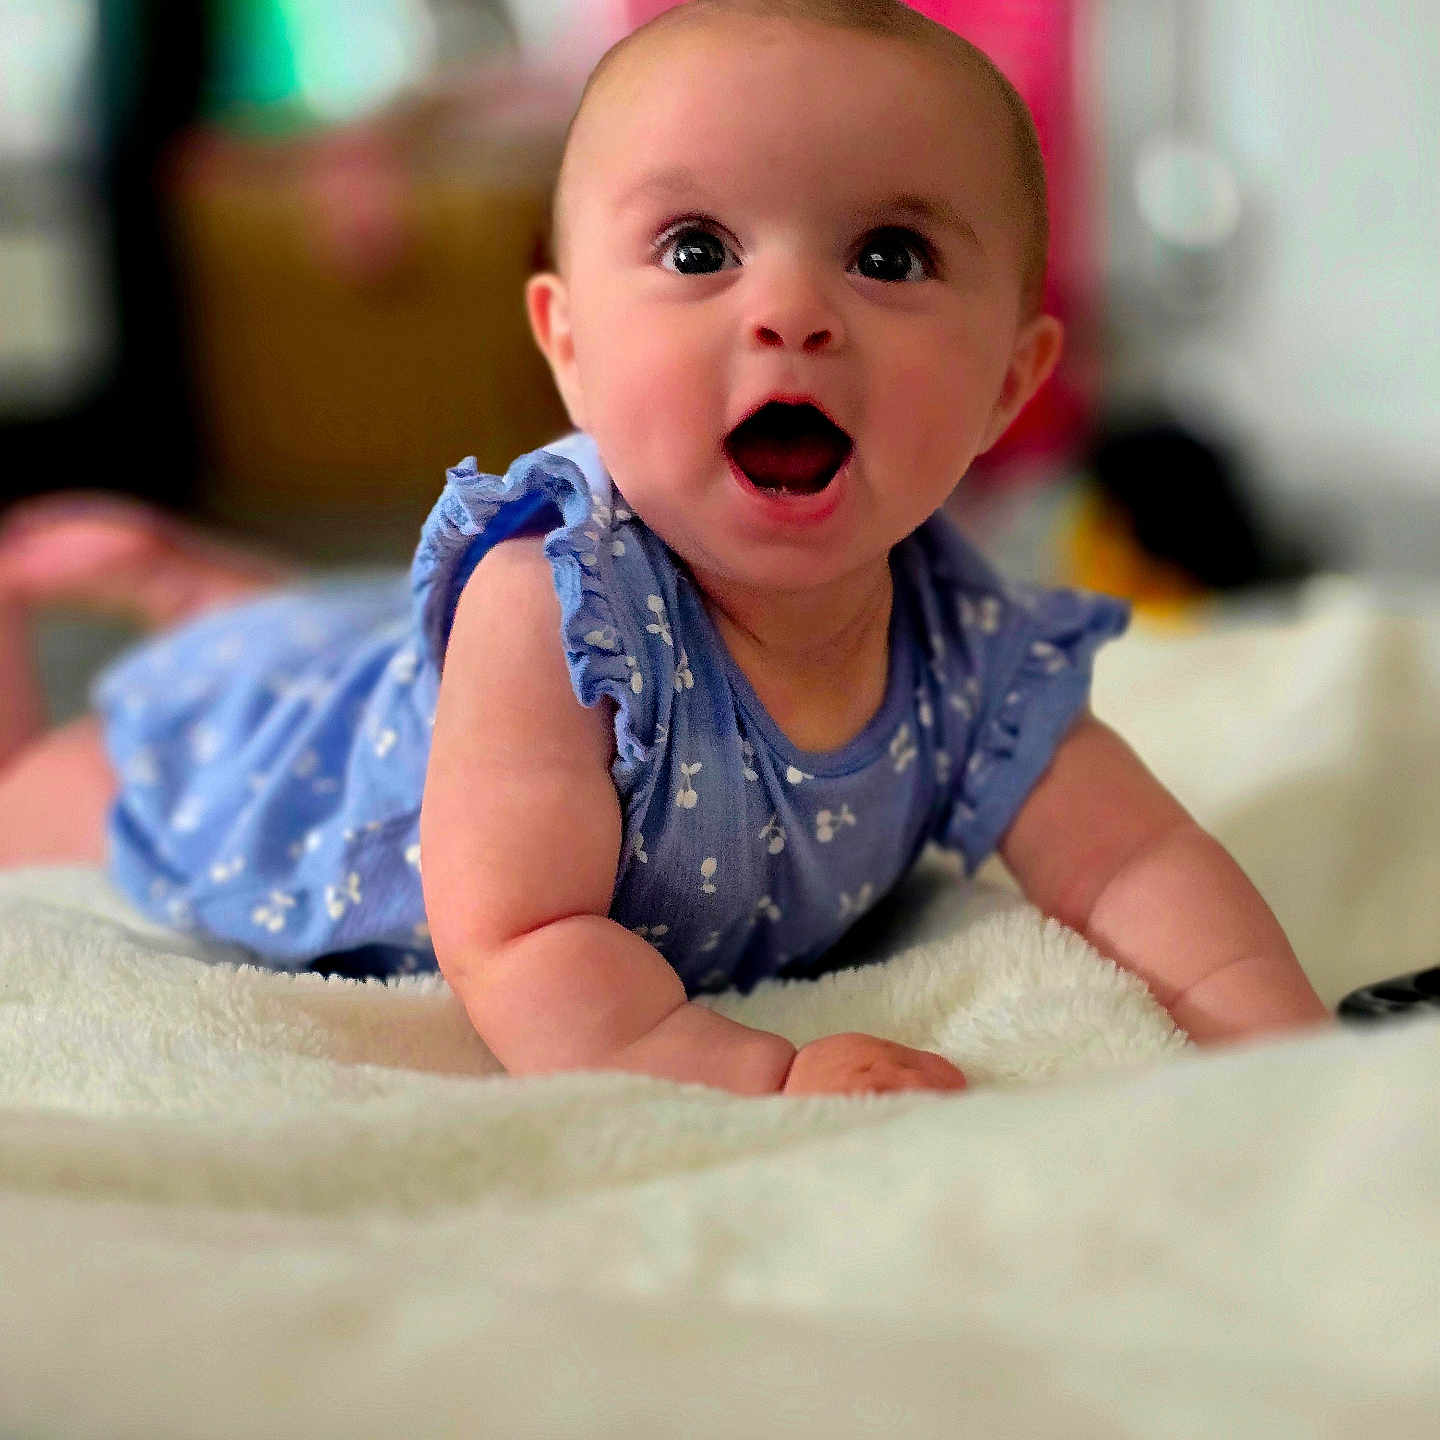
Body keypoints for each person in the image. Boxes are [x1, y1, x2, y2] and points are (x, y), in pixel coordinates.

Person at [0, 0, 1330, 1098]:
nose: (792, 311)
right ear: (567, 343)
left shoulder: (971, 645)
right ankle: (180, 608)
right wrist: (761, 1076)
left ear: (1007, 382)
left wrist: (1278, 1048)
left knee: (338, 633)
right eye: (699, 247)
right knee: (66, 790)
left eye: (890, 252)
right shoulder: (559, 606)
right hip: (301, 768)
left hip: (390, 668)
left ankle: (209, 588)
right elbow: (521, 936)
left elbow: (1135, 860)